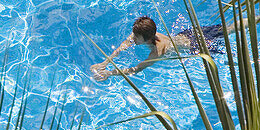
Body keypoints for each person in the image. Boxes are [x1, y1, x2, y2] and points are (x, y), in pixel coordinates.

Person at [91, 16, 227, 81]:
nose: (133, 39)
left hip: (196, 45)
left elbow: (136, 70)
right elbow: (121, 47)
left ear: (148, 39)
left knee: (228, 30)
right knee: (225, 29)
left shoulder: (157, 51)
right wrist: (104, 63)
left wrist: (109, 73)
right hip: (186, 34)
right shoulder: (141, 32)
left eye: (137, 38)